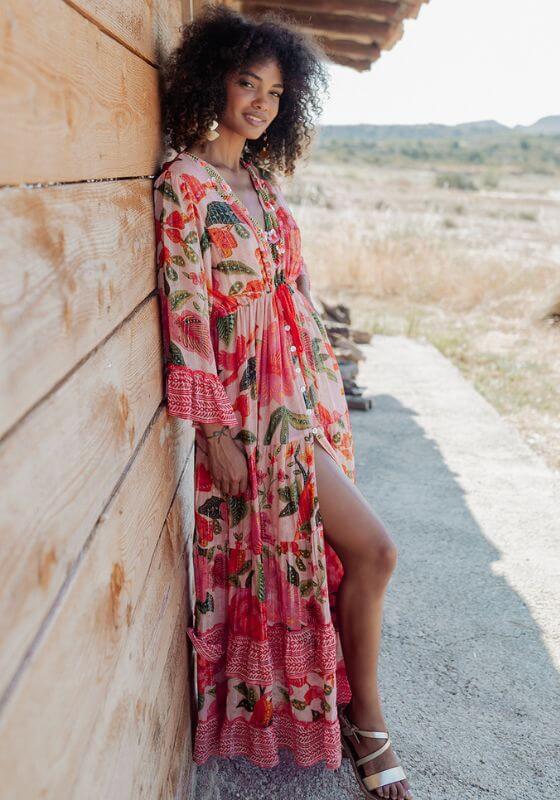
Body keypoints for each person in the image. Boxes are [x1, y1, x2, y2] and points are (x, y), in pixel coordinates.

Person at [153, 5, 412, 799]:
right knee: (374, 548)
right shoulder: (183, 185)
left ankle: (348, 707)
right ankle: (368, 726)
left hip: (295, 399)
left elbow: (293, 291)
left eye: (274, 90)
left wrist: (318, 395)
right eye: (245, 83)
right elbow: (186, 311)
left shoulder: (261, 182)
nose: (260, 102)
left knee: (336, 554)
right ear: (212, 82)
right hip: (246, 411)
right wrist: (217, 432)